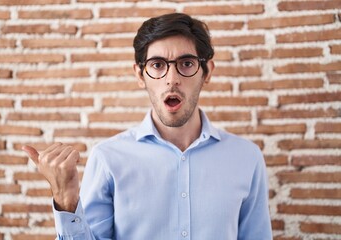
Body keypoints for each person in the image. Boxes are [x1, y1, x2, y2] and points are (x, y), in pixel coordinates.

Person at [23, 13, 272, 240]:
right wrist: (66, 201)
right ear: (140, 75)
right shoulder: (108, 158)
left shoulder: (246, 158)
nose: (171, 79)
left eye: (186, 64)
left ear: (206, 72)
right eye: (157, 65)